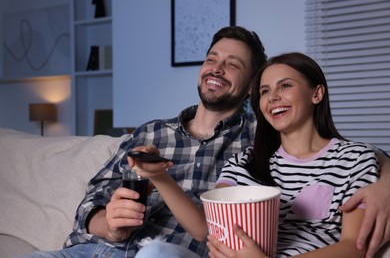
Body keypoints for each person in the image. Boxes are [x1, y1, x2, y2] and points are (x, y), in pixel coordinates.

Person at [20, 28, 389, 257]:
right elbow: (97, 195)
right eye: (212, 58)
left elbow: (366, 165)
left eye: (232, 64)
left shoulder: (255, 141)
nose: (216, 67)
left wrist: (386, 181)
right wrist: (108, 219)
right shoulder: (155, 134)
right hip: (97, 250)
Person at [130, 53, 387, 258]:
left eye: (284, 86)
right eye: (264, 91)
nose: (273, 97)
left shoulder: (355, 159)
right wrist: (159, 177)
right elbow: (204, 228)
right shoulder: (245, 163)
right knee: (155, 252)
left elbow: (355, 246)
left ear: (316, 93)